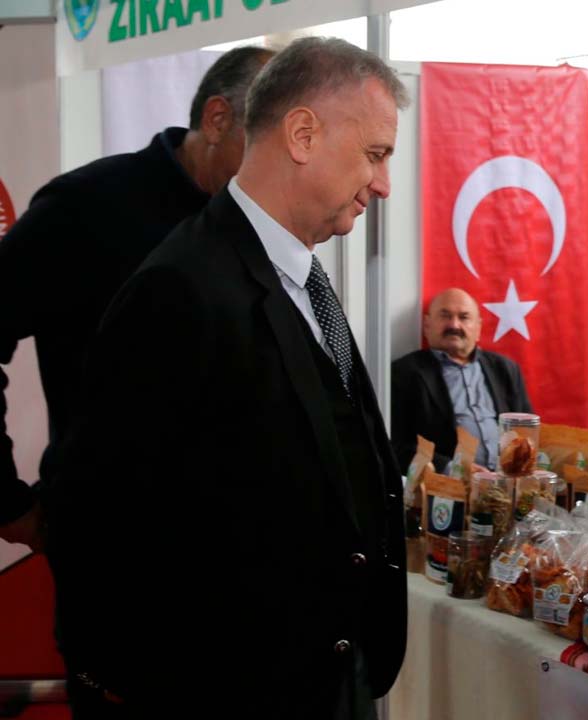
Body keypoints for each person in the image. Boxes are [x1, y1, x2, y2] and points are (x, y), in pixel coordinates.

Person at [46, 38, 408, 719]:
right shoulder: (179, 288)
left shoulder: (297, 273)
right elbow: (98, 514)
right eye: (375, 153)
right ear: (302, 134)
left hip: (328, 675)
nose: (384, 182)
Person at [0, 45, 274, 551]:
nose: (278, 174)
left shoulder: (261, 222)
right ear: (217, 119)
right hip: (114, 547)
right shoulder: (85, 206)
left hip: (238, 543)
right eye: (267, 147)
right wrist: (7, 502)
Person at [391, 288, 533, 474]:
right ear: (427, 325)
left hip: (508, 480)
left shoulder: (505, 369)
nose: (454, 325)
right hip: (447, 486)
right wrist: (453, 469)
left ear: (478, 328)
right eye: (445, 316)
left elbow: (527, 432)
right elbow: (396, 445)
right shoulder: (404, 373)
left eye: (464, 317)